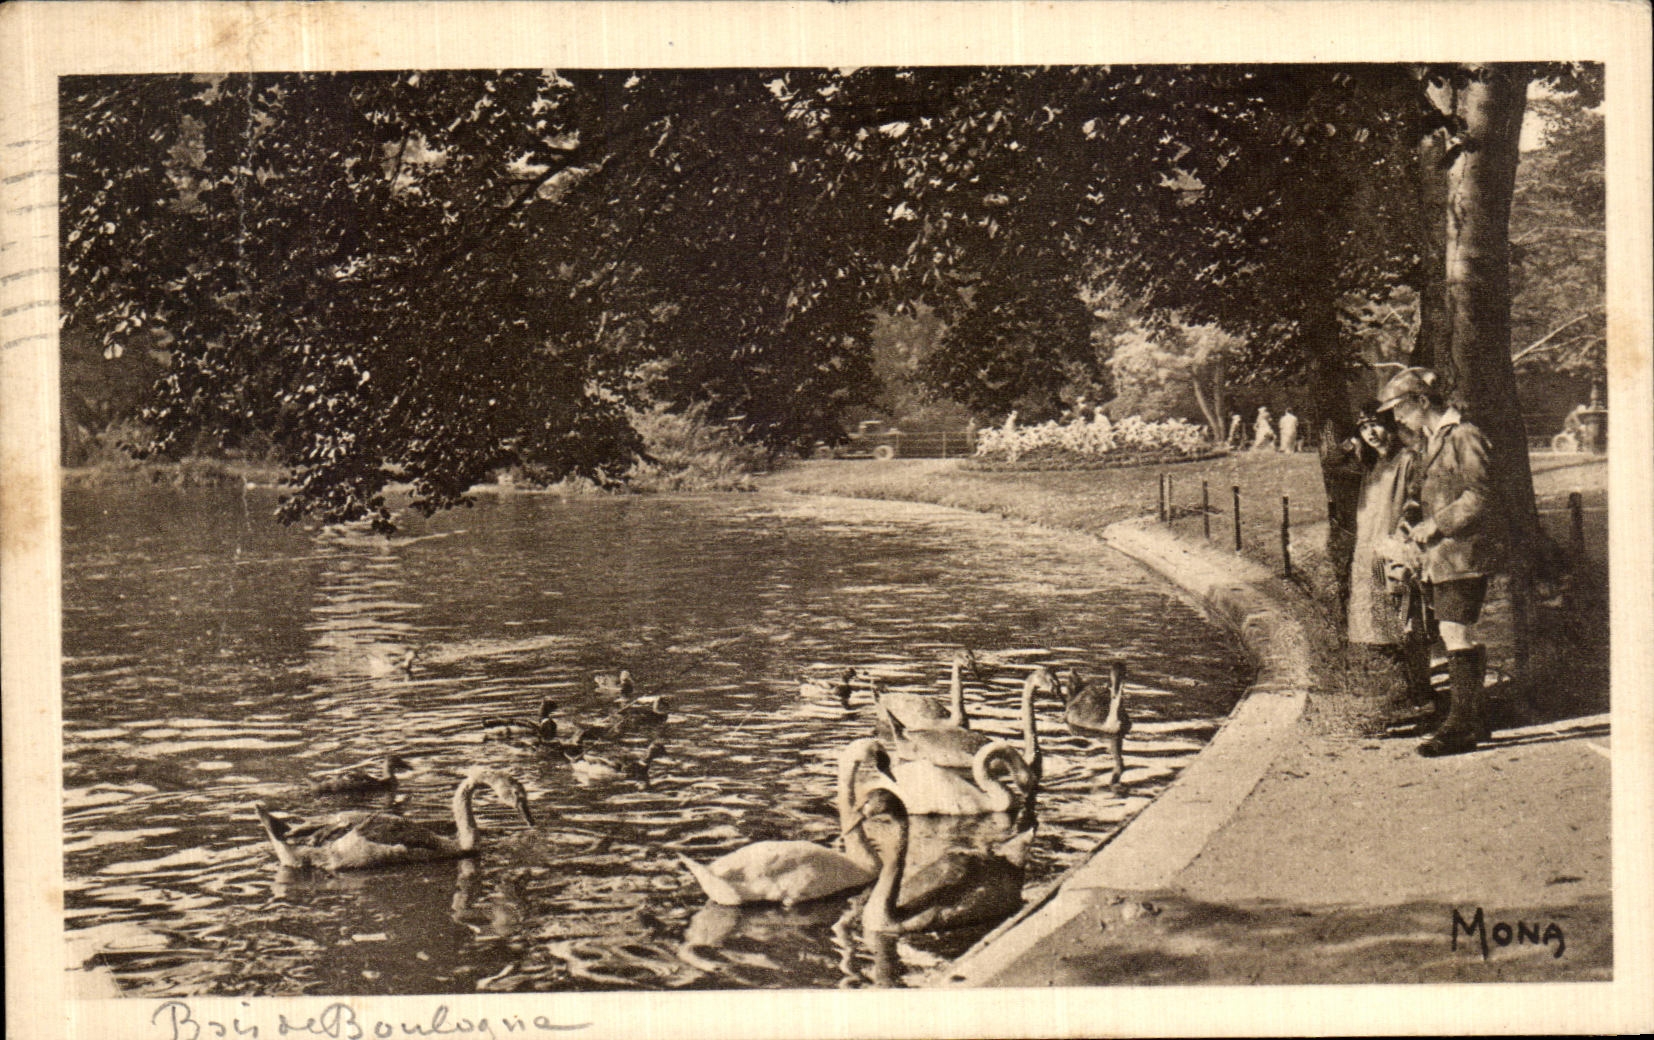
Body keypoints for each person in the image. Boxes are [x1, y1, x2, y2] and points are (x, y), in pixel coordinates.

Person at [1376, 367, 1498, 756]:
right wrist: (1407, 525)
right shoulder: (1430, 441)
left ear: (1422, 402)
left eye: (1399, 408)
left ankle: (1461, 726)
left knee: (1455, 632)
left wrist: (1436, 526)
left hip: (1463, 554)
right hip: (1441, 558)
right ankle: (1474, 721)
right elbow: (1422, 494)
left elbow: (1479, 496)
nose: (1396, 418)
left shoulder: (1463, 435)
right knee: (1453, 633)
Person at [1342, 403, 1431, 710]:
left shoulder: (1407, 460)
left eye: (1376, 425)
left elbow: (1415, 503)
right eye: (1364, 428)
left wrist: (1400, 544)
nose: (1372, 433)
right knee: (1376, 625)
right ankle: (1394, 695)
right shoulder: (1372, 467)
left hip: (1395, 552)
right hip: (1368, 555)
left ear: (1390, 427)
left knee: (1406, 620)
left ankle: (1420, 694)